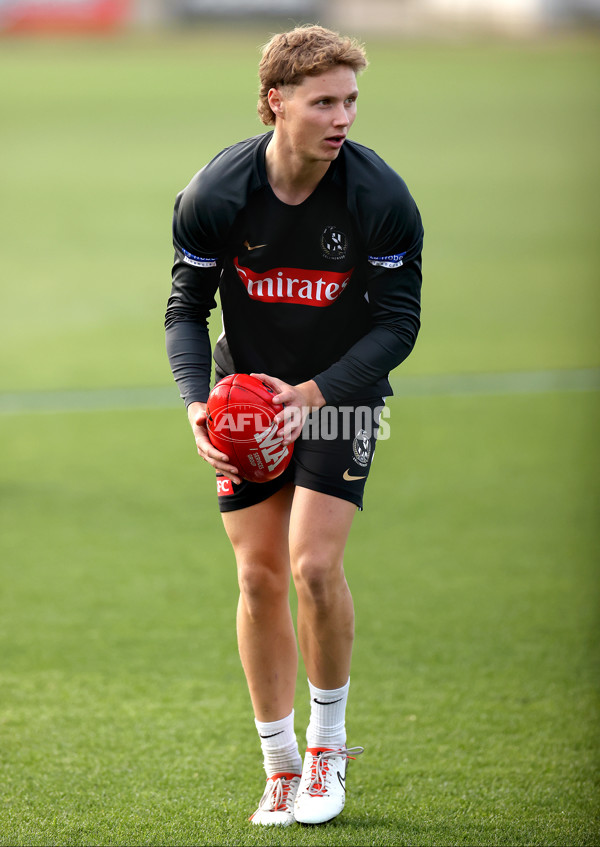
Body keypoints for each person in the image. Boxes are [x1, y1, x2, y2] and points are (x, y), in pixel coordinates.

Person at [165, 24, 423, 827]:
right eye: (324, 101)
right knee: (258, 577)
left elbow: (398, 326)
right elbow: (186, 308)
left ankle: (326, 746)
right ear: (277, 102)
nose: (342, 116)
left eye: (350, 100)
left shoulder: (379, 198)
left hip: (340, 394)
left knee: (313, 565)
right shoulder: (216, 195)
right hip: (245, 404)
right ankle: (278, 764)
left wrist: (314, 391)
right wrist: (197, 400)